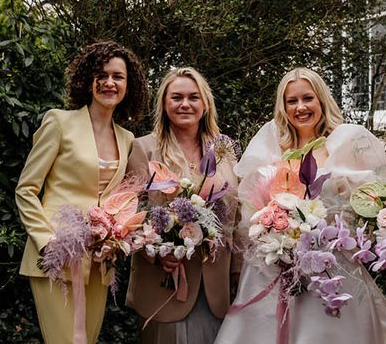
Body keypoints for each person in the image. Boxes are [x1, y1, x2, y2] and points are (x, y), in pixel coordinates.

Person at [215, 67, 386, 344]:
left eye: (308, 98)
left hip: (330, 265)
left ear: (321, 100)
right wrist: (275, 236)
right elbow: (250, 213)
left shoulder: (342, 144)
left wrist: (321, 233)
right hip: (275, 265)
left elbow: (363, 207)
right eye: (292, 101)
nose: (300, 107)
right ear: (284, 106)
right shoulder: (272, 149)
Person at [16, 40, 148, 344]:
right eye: (101, 75)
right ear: (87, 80)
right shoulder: (59, 122)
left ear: (129, 86)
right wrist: (46, 241)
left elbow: (123, 199)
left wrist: (118, 235)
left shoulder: (127, 139)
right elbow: (26, 189)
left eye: (118, 76)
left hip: (100, 261)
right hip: (57, 257)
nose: (109, 83)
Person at [125, 67, 240, 344]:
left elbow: (236, 217)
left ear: (205, 104)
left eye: (193, 97)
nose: (185, 104)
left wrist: (237, 275)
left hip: (216, 287)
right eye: (176, 97)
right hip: (165, 284)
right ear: (164, 104)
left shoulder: (223, 152)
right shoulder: (144, 149)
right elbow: (130, 215)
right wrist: (156, 252)